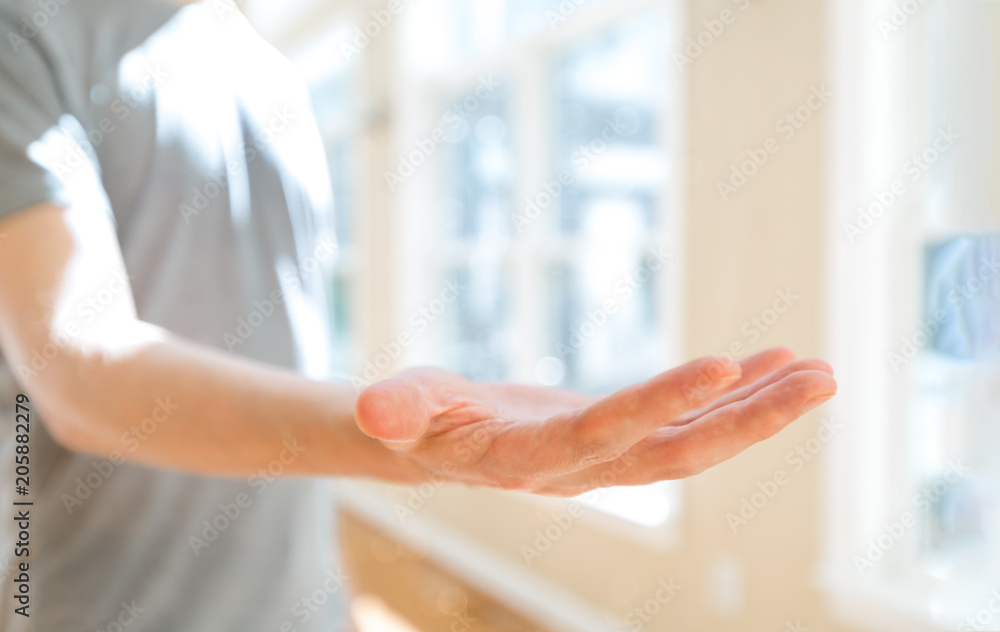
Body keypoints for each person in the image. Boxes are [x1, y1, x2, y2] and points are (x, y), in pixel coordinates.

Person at [0, 0, 838, 629]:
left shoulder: (263, 65)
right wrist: (399, 445)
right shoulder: (25, 32)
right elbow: (82, 367)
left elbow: (279, 342)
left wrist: (329, 585)